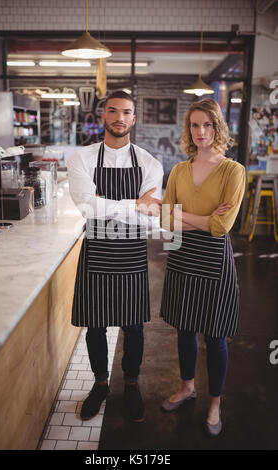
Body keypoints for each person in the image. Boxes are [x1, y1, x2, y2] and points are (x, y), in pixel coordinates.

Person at [67, 90, 163, 423]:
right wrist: (133, 204)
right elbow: (85, 206)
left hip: (133, 252)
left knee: (134, 327)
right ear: (103, 116)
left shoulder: (151, 163)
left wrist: (107, 206)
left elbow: (148, 216)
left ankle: (132, 384)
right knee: (95, 327)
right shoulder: (81, 158)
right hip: (97, 252)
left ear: (133, 119)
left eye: (126, 112)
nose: (119, 117)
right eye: (112, 111)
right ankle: (100, 383)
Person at [160, 98, 245, 436]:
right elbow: (166, 220)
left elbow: (221, 227)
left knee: (215, 335)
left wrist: (183, 215)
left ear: (217, 127)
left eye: (207, 125)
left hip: (213, 258)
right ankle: (187, 387)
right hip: (182, 255)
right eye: (194, 125)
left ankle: (214, 402)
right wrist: (202, 218)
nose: (200, 131)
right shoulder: (180, 170)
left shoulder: (232, 171)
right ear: (188, 129)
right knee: (184, 329)